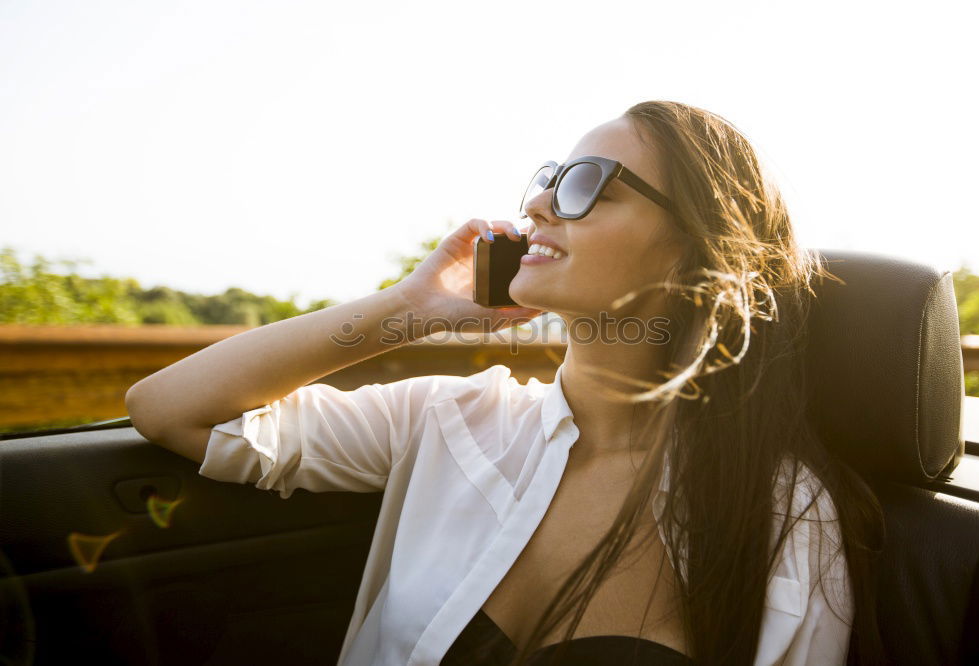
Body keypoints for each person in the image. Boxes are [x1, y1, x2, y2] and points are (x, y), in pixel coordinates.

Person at [126, 99, 885, 666]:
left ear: (694, 246)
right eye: (548, 178)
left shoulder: (784, 512)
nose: (539, 204)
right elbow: (169, 409)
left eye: (588, 184)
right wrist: (409, 310)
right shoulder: (448, 418)